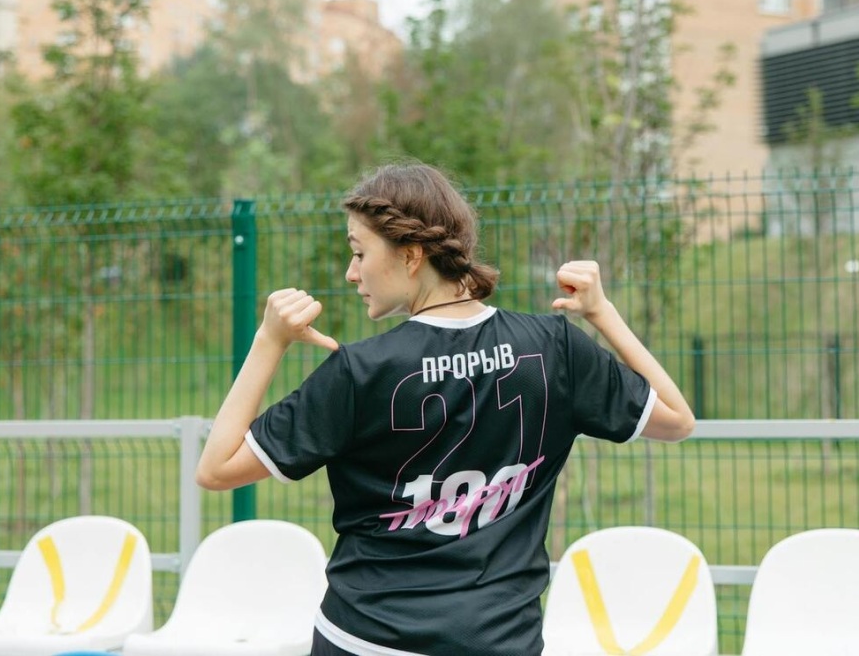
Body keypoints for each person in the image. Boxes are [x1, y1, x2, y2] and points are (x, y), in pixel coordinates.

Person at [196, 163, 696, 656]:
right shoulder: (555, 348)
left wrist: (269, 340)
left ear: (411, 255)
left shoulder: (360, 371)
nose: (352, 273)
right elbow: (677, 420)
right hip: (500, 641)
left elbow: (217, 467)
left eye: (358, 252)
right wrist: (601, 313)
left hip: (367, 639)